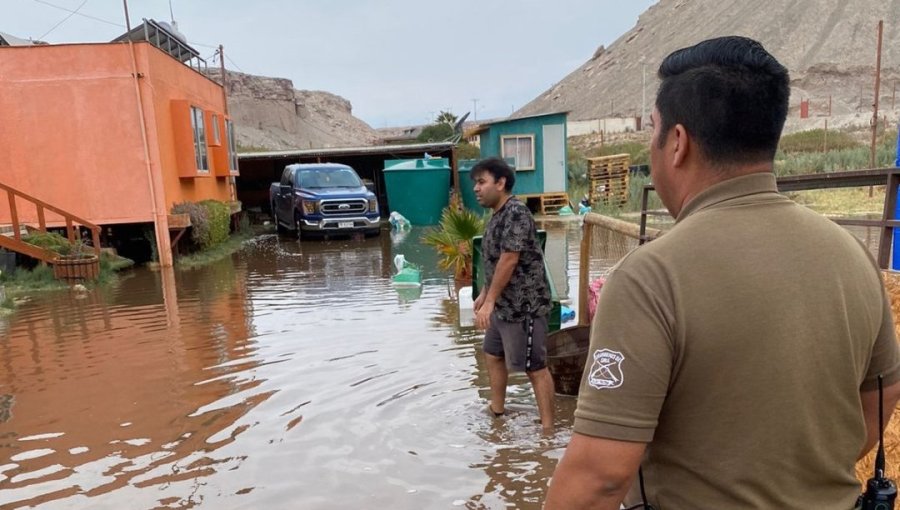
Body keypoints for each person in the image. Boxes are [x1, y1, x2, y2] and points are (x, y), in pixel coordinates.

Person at [544, 36, 900, 510]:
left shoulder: (650, 277)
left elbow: (600, 477)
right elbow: (881, 395)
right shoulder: (851, 256)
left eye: (652, 129)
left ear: (677, 142)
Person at [471, 157, 555, 433]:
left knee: (535, 367)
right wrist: (485, 294)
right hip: (502, 306)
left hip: (525, 306)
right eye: (475, 183)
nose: (476, 189)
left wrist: (491, 300)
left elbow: (509, 259)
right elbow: (495, 262)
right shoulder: (497, 215)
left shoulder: (516, 212)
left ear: (501, 182)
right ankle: (497, 411)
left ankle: (548, 431)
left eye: (482, 182)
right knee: (492, 353)